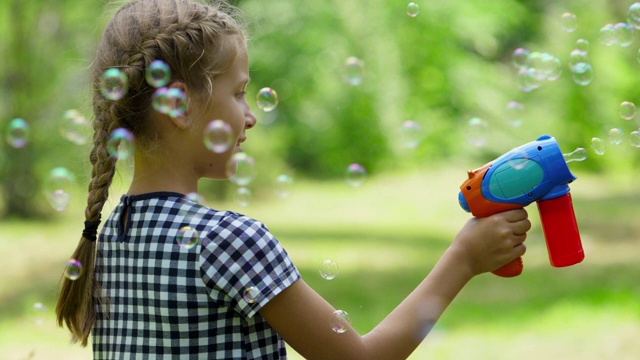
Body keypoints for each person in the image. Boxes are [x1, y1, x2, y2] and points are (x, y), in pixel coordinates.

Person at [56, 0, 531, 358]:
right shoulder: (228, 241)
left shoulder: (110, 234)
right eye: (239, 93)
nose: (249, 117)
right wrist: (464, 258)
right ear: (177, 106)